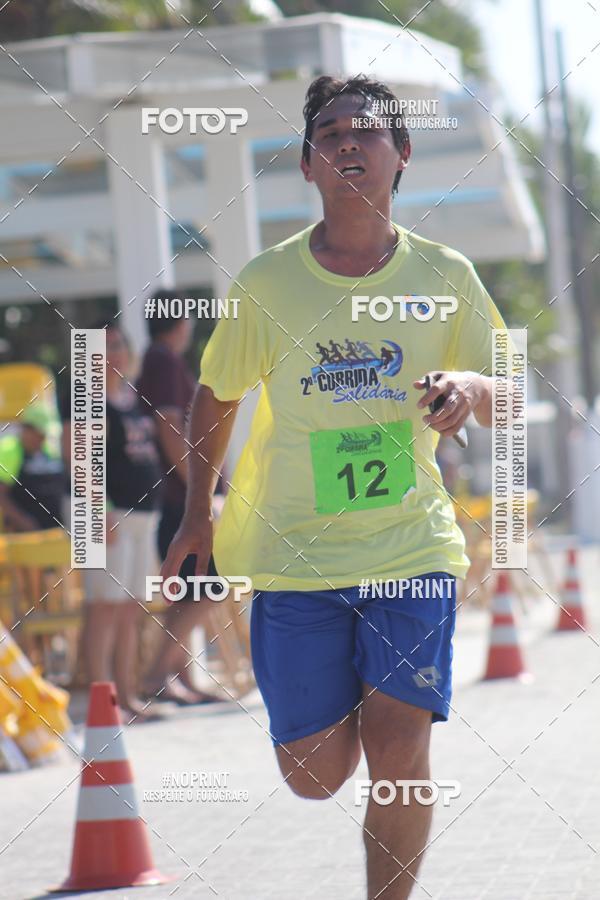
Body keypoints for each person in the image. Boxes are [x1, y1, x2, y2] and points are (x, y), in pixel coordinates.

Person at [162, 74, 508, 899]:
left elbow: (511, 387)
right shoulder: (267, 283)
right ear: (309, 166)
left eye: (368, 131)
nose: (348, 141)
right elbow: (216, 395)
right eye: (329, 133)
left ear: (403, 156)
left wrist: (470, 385)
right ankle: (356, 681)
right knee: (312, 776)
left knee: (399, 750)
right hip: (295, 555)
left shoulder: (445, 274)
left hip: (410, 544)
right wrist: (195, 512)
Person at [63, 324, 164, 722]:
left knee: (130, 608)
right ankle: (102, 704)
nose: (113, 355)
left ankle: (128, 695)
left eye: (119, 345)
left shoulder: (129, 397)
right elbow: (78, 458)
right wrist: (98, 508)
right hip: (102, 513)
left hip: (141, 515)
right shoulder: (85, 398)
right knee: (103, 607)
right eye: (103, 349)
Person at [137, 304, 220, 705]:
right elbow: (168, 426)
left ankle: (179, 678)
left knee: (187, 591)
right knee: (207, 587)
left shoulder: (159, 361)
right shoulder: (164, 362)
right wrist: (198, 492)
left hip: (172, 496)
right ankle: (156, 675)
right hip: (178, 498)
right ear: (182, 323)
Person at [0, 403, 64, 532]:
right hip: (22, 536)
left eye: (44, 435)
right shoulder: (9, 450)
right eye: (39, 434)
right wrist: (24, 522)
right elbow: (2, 495)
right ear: (27, 429)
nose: (42, 439)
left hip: (54, 534)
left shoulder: (49, 451)